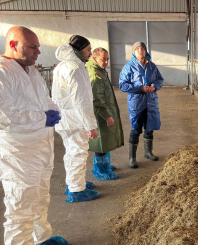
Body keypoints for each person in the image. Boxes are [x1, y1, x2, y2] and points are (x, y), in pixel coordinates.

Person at [0, 26, 71, 244]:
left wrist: (54, 111)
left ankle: (41, 238)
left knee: (40, 198)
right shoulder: (3, 71)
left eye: (38, 47)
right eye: (32, 47)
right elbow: (4, 114)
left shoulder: (30, 70)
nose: (38, 52)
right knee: (21, 206)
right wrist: (43, 118)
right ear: (13, 45)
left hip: (41, 146)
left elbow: (45, 99)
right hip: (20, 153)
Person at [52, 35, 102, 203]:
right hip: (74, 119)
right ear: (79, 49)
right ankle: (77, 190)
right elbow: (82, 100)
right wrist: (90, 125)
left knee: (72, 152)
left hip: (64, 118)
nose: (90, 53)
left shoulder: (63, 66)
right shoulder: (75, 68)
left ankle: (74, 182)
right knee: (78, 153)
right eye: (88, 50)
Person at [119, 41, 164, 168]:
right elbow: (123, 85)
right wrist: (140, 88)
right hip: (137, 103)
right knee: (136, 129)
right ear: (134, 52)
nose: (140, 50)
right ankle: (132, 158)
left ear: (146, 51)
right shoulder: (129, 67)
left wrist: (154, 87)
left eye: (142, 48)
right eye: (137, 49)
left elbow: (160, 79)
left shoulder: (152, 66)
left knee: (149, 128)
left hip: (151, 102)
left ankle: (148, 153)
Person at [86, 47, 124, 180]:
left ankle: (105, 165)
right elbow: (97, 98)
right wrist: (106, 115)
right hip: (100, 113)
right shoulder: (95, 74)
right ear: (95, 58)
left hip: (105, 110)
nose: (106, 62)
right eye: (103, 59)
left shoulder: (100, 71)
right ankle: (100, 170)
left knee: (106, 138)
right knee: (101, 140)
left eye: (107, 59)